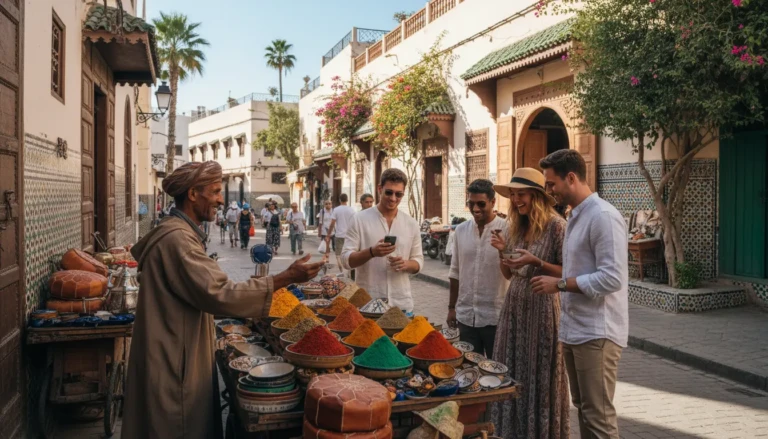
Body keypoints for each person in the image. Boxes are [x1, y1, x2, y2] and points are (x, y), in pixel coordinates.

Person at [122, 161, 323, 439]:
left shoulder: (180, 233)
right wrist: (286, 277)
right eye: (215, 191)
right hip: (173, 358)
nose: (220, 199)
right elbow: (220, 294)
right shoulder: (179, 241)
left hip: (172, 347)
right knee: (178, 426)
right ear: (193, 194)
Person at [534, 149, 629, 439]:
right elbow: (577, 269)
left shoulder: (602, 216)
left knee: (598, 417)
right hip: (575, 329)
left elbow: (612, 278)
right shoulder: (576, 216)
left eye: (551, 184)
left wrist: (560, 284)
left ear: (571, 178)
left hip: (597, 332)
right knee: (585, 410)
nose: (549, 191)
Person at [489, 167, 569, 439]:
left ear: (535, 195)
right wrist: (503, 254)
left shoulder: (557, 226)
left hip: (543, 309)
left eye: (520, 194)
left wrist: (537, 262)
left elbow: (569, 271)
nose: (515, 200)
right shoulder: (515, 228)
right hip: (514, 310)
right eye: (513, 195)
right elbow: (509, 274)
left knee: (539, 374)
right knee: (513, 369)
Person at [341, 168, 424, 312]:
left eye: (398, 194)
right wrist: (371, 252)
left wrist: (405, 264)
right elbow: (346, 261)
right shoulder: (360, 219)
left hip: (401, 304)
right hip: (368, 304)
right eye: (389, 192)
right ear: (380, 189)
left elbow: (418, 262)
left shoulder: (411, 223)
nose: (393, 198)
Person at [447, 179, 510, 357]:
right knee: (469, 370)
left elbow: (513, 272)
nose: (475, 209)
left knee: (495, 370)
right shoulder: (460, 231)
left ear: (493, 202)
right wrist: (451, 308)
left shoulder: (508, 230)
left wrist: (504, 250)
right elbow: (455, 272)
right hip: (465, 316)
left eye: (481, 204)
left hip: (496, 316)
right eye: (471, 204)